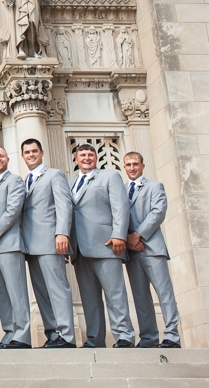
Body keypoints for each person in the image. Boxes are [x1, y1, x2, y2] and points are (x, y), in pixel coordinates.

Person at [70, 143, 136, 348]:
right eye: (82, 155)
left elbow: (120, 207)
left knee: (115, 293)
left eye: (90, 154)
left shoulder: (110, 177)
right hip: (80, 248)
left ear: (96, 158)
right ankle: (95, 338)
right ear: (76, 159)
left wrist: (119, 235)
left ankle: (124, 335)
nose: (87, 158)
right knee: (89, 297)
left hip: (106, 244)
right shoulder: (71, 183)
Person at [19, 138, 76, 348]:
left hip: (51, 241)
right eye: (27, 152)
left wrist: (62, 233)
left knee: (58, 288)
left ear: (42, 152)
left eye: (34, 151)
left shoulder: (54, 175)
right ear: (22, 156)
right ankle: (53, 333)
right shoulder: (25, 180)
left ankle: (67, 334)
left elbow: (64, 205)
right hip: (30, 245)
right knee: (41, 291)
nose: (31, 155)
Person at [123, 151, 180, 348]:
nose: (132, 168)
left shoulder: (155, 186)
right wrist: (129, 239)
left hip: (152, 248)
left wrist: (137, 235)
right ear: (124, 167)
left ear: (142, 166)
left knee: (164, 294)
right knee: (140, 296)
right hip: (132, 251)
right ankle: (148, 337)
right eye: (128, 165)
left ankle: (172, 335)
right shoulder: (121, 190)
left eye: (135, 164)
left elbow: (158, 212)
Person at [0, 146, 31, 349]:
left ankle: (23, 334)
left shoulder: (15, 181)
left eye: (1, 155)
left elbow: (12, 211)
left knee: (16, 291)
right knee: (1, 292)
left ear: (8, 159)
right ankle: (10, 332)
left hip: (9, 244)